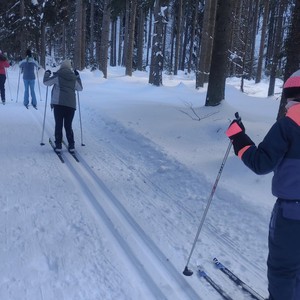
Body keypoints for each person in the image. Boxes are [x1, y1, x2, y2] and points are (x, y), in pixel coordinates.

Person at [226, 69, 300, 300]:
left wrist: (238, 138)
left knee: (283, 269)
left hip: (292, 212)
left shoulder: (287, 126)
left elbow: (260, 163)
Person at [43, 59, 83, 153]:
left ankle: (58, 145)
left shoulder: (57, 76)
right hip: (70, 105)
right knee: (68, 125)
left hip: (58, 104)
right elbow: (80, 88)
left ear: (61, 66)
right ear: (70, 67)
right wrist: (78, 77)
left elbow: (46, 83)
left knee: (59, 124)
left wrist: (47, 74)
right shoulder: (73, 78)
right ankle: (71, 145)